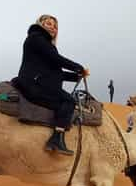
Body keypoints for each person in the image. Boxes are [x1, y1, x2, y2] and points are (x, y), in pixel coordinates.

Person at [12, 14, 89, 155]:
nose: (53, 28)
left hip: (39, 82)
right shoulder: (36, 38)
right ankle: (56, 139)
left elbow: (54, 72)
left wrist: (76, 76)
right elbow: (57, 60)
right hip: (34, 84)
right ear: (40, 24)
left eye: (55, 26)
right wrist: (78, 67)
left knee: (64, 102)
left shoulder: (45, 44)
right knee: (69, 101)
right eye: (49, 24)